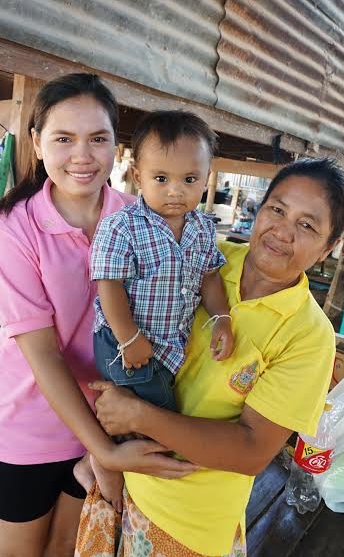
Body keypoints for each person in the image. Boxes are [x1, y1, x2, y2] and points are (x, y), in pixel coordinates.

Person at [76, 157, 344, 557]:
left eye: (307, 225)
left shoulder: (308, 335)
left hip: (186, 521)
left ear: (329, 248)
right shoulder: (206, 256)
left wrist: (138, 417)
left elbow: (251, 452)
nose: (282, 231)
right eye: (277, 209)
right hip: (119, 481)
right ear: (261, 209)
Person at [0, 74, 195, 557]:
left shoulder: (141, 216)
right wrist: (106, 449)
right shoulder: (15, 229)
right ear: (36, 141)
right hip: (29, 427)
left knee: (70, 549)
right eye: (64, 139)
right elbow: (44, 355)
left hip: (109, 419)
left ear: (119, 146)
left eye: (98, 138)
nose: (82, 156)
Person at [76, 111, 234, 508]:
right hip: (121, 341)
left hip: (165, 348)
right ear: (137, 174)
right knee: (161, 420)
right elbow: (108, 286)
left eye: (190, 180)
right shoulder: (123, 226)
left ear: (207, 176)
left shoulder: (201, 228)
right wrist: (130, 339)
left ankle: (96, 463)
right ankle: (110, 479)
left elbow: (210, 278)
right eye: (161, 179)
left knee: (144, 415)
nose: (176, 191)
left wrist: (222, 319)